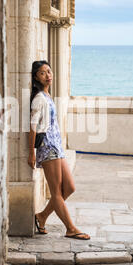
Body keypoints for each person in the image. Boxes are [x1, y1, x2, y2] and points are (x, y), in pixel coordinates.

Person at [28, 60, 90, 240]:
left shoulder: (47, 96)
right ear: (35, 77)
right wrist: (32, 152)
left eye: (49, 71)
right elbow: (32, 127)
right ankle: (70, 228)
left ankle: (41, 216)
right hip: (47, 147)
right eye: (42, 73)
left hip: (57, 146)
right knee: (56, 192)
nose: (48, 75)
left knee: (69, 187)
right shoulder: (39, 98)